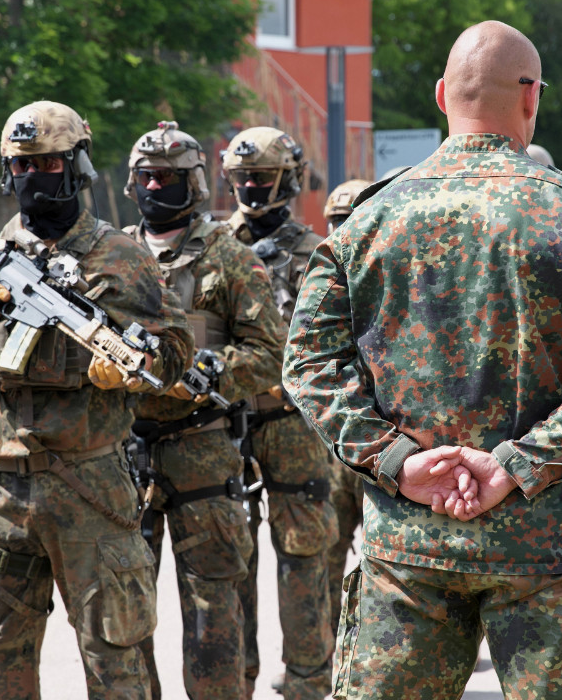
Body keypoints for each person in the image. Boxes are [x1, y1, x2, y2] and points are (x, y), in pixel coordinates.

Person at [283, 20, 562, 698]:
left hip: (409, 545)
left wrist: (399, 462)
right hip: (544, 545)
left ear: (439, 96)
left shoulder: (368, 219)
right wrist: (518, 465)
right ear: (530, 98)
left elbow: (308, 364)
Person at [0, 102, 194, 700]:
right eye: (23, 165)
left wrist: (133, 372)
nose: (36, 176)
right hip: (3, 487)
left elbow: (176, 350)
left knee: (116, 653)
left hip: (91, 485)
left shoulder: (122, 255)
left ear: (77, 165)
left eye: (51, 162)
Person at [120, 121, 283, 700]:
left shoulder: (230, 257)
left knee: (215, 613)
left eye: (166, 177)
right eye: (145, 177)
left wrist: (212, 369)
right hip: (124, 452)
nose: (154, 186)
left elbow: (271, 355)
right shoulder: (113, 256)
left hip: (205, 451)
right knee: (122, 618)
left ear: (192, 182)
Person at [221, 125, 340, 699]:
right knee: (229, 558)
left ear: (288, 180)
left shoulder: (318, 253)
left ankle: (309, 681)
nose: (249, 187)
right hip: (222, 421)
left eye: (262, 177)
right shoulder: (214, 246)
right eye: (241, 177)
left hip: (295, 424)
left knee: (303, 557)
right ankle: (236, 677)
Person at [321, 179, 373, 624]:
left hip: (392, 438)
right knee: (327, 551)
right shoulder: (321, 278)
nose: (344, 229)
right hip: (336, 437)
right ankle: (329, 648)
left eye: (352, 219)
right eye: (336, 221)